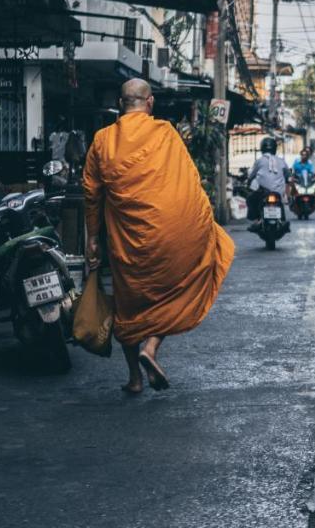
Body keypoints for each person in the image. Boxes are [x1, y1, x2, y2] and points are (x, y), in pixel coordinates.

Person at [84, 79, 235, 393]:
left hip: (127, 241)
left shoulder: (102, 140)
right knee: (176, 289)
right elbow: (188, 181)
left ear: (119, 103)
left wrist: (92, 237)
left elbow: (92, 194)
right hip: (169, 232)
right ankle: (151, 347)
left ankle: (134, 380)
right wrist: (203, 220)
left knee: (129, 305)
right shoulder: (165, 132)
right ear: (149, 102)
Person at [247, 136, 290, 222]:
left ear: (262, 148)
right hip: (278, 193)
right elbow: (288, 174)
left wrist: (248, 182)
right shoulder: (281, 161)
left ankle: (256, 219)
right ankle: (282, 220)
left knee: (250, 198)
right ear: (275, 148)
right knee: (280, 202)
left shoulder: (259, 161)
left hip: (263, 192)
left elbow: (252, 175)